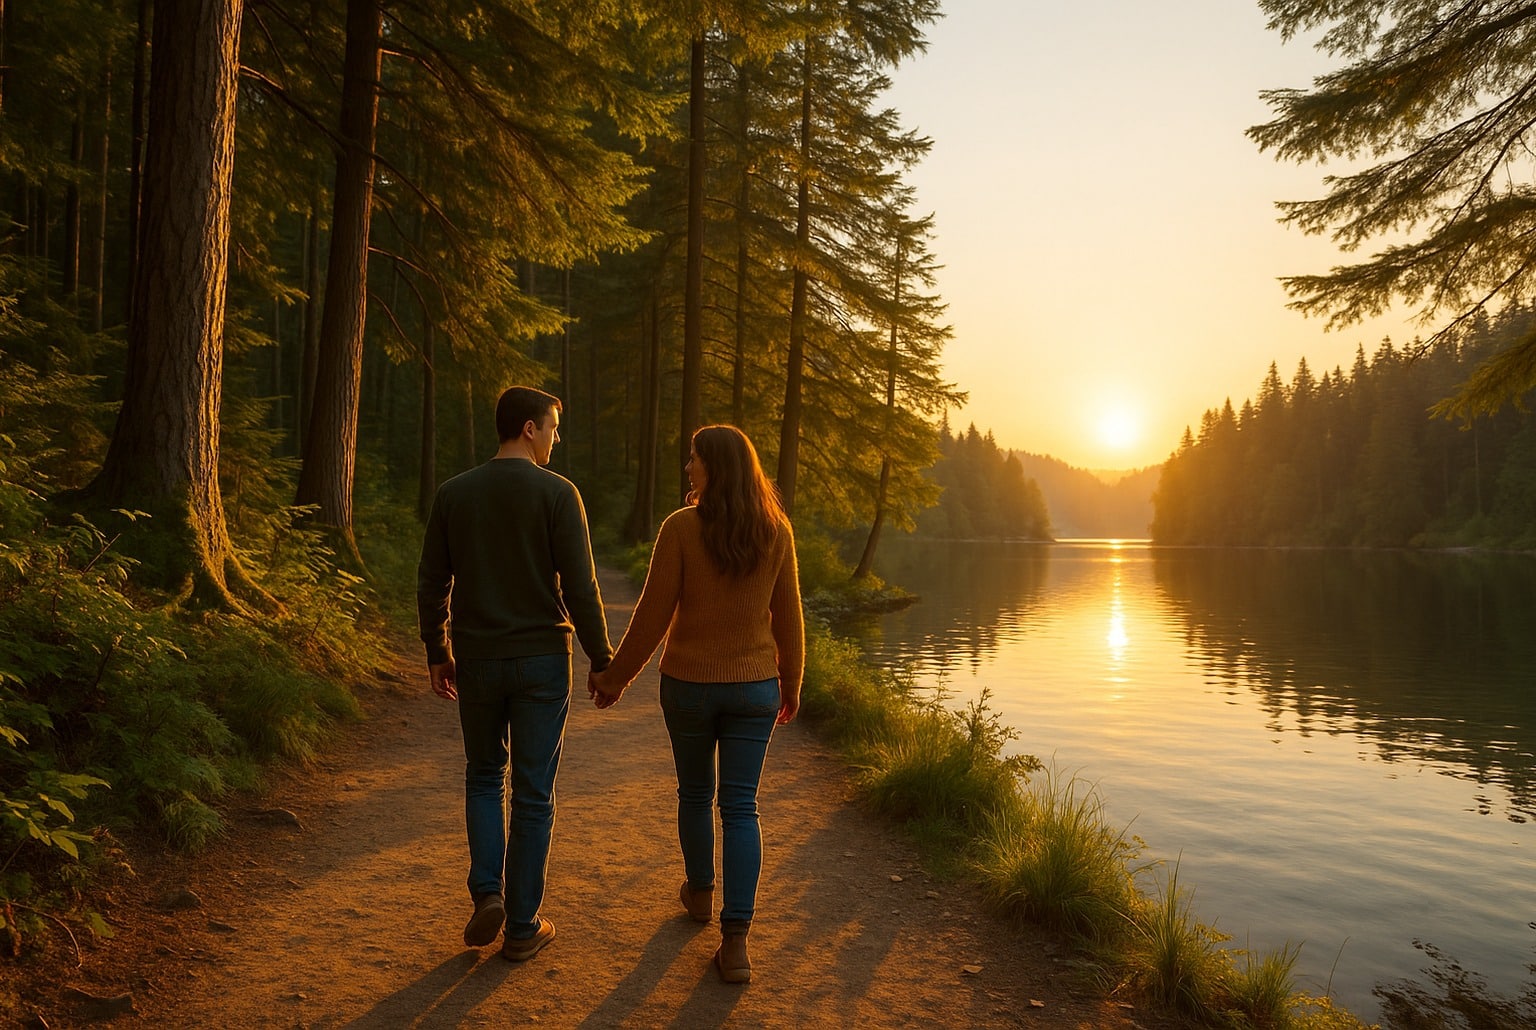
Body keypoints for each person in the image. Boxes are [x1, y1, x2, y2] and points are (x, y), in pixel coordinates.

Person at [589, 424, 804, 985]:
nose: (688, 468)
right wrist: (792, 682)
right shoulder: (775, 530)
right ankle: (735, 943)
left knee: (693, 793)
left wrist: (615, 677)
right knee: (740, 809)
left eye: (694, 459)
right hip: (755, 687)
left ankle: (701, 894)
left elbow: (653, 614)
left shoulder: (681, 528)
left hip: (687, 686)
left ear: (716, 467)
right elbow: (790, 617)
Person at [417, 385, 613, 962]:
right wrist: (602, 661)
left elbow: (432, 581)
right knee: (532, 793)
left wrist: (438, 649)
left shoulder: (455, 493)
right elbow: (580, 586)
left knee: (483, 776)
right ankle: (523, 927)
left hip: (477, 658)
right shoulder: (558, 494)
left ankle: (486, 895)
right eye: (552, 426)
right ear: (528, 428)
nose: (557, 437)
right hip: (541, 663)